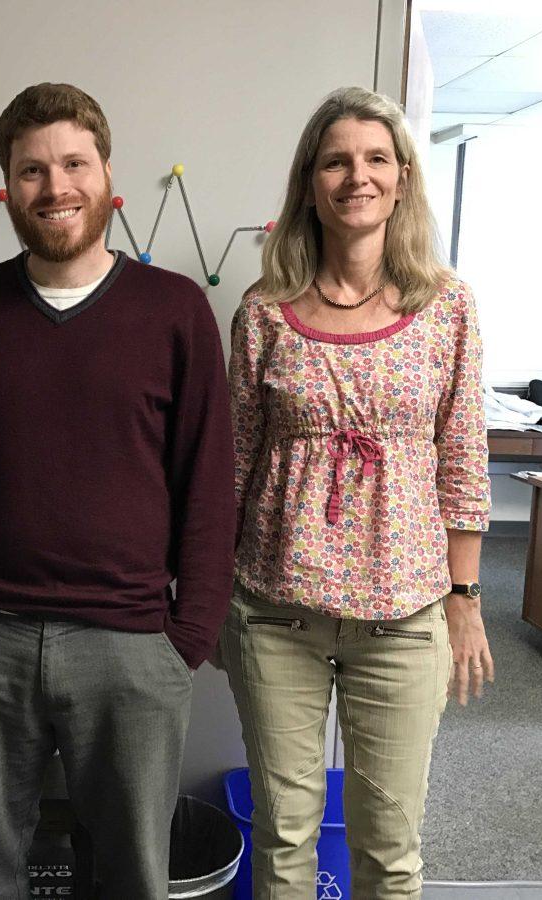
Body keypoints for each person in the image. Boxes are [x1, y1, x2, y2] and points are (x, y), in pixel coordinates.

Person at [0, 82, 234, 899]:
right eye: (31, 171)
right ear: (7, 186)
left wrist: (187, 635)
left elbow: (209, 482)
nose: (56, 188)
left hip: (130, 645)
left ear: (107, 173)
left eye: (73, 164)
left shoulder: (175, 310)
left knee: (129, 877)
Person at [223, 86, 492, 899]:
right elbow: (235, 463)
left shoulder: (447, 306)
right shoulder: (263, 313)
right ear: (311, 182)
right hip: (275, 613)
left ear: (403, 179)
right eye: (336, 160)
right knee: (284, 841)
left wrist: (465, 596)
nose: (357, 176)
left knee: (390, 851)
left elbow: (463, 460)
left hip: (403, 618)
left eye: (377, 158)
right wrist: (202, 591)